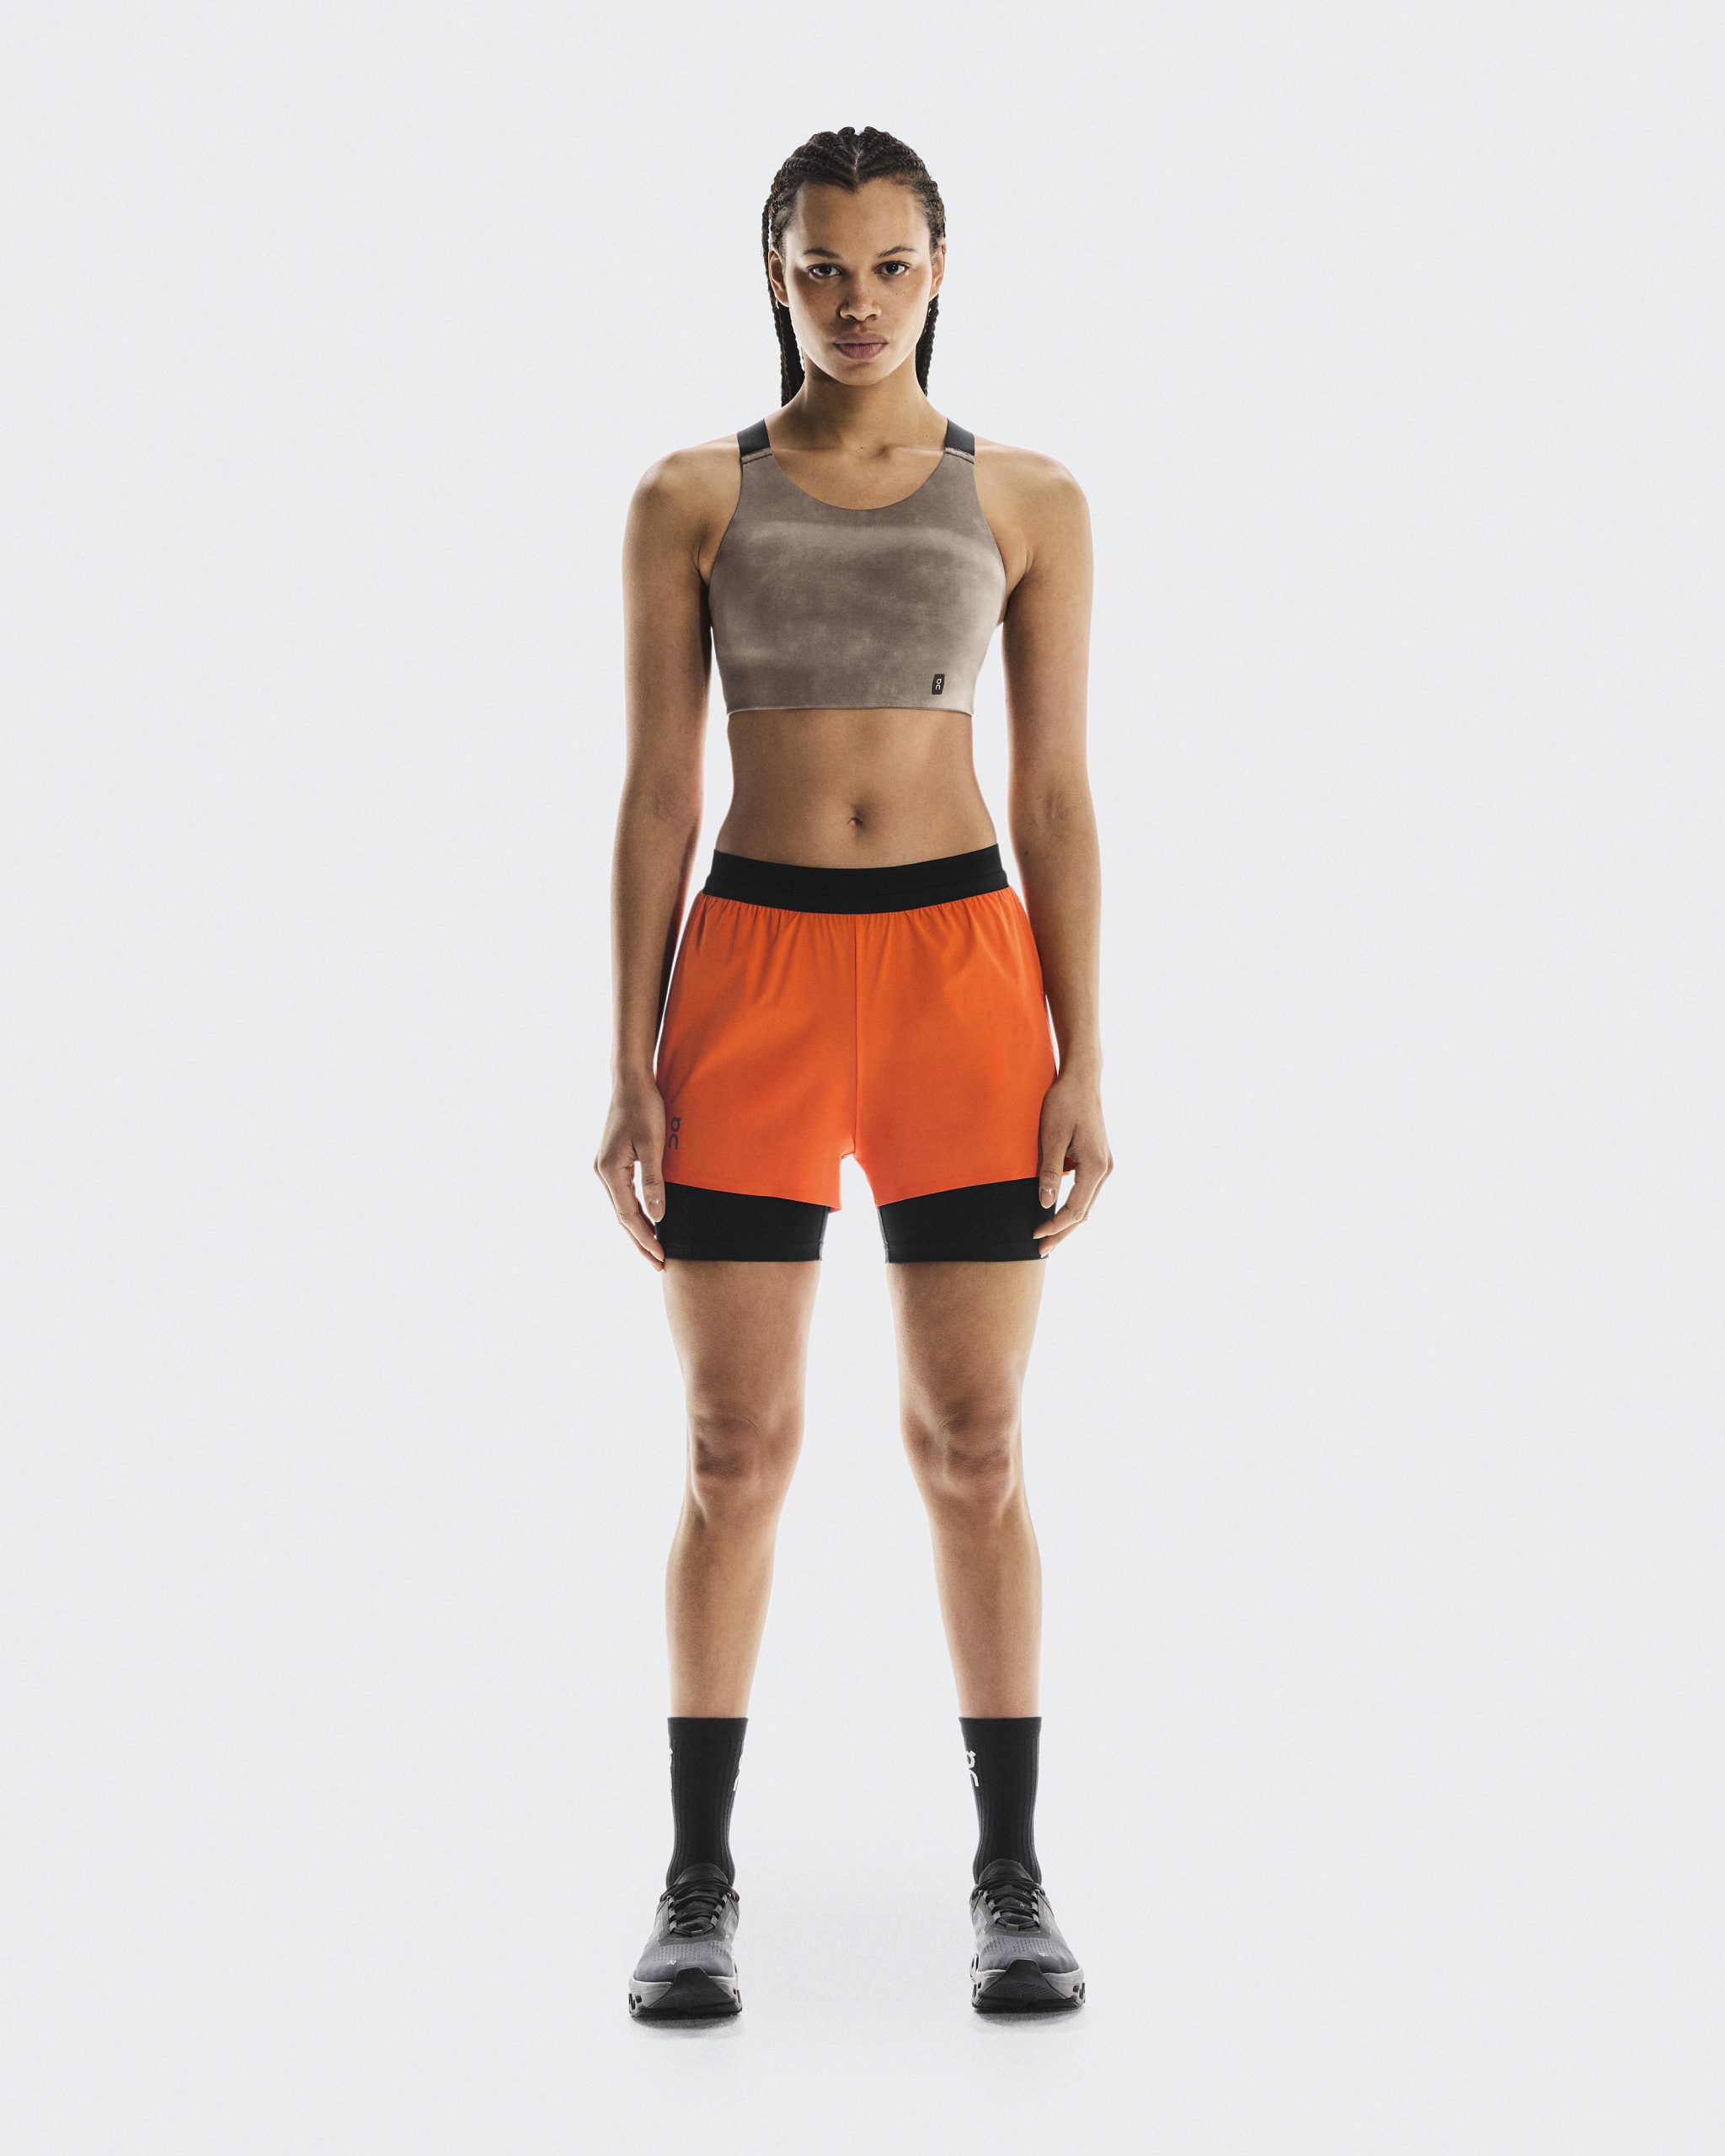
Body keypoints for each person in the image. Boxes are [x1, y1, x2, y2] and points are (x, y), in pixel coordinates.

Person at [597, 124, 1111, 2020]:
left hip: (963, 983)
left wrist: (1083, 1051)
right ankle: (696, 1878)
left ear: (940, 271)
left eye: (890, 265)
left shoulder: (1028, 497)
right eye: (822, 266)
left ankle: (1011, 1872)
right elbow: (659, 793)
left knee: (973, 1447)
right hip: (754, 978)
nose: (858, 300)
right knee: (732, 1450)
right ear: (776, 276)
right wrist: (631, 1058)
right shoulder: (691, 496)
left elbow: (1056, 794)